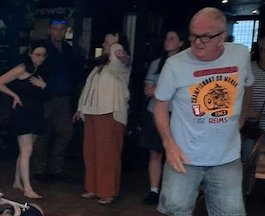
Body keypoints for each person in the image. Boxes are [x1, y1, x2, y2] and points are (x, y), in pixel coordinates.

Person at [154, 7, 254, 216]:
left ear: (222, 36)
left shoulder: (239, 56)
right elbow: (160, 107)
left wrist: (242, 118)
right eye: (193, 36)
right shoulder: (175, 65)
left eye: (205, 37)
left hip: (225, 157)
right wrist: (169, 144)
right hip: (183, 156)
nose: (197, 43)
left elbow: (247, 88)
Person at [73, 30, 131, 205]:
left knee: (107, 153)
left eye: (110, 43)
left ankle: (108, 191)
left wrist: (116, 46)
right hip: (92, 112)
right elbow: (87, 88)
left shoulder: (122, 62)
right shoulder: (100, 66)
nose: (106, 45)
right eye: (106, 43)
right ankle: (92, 187)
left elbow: (117, 61)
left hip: (109, 112)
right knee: (90, 152)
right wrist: (80, 108)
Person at [0, 41, 49, 199]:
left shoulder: (41, 70)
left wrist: (43, 86)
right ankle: (27, 188)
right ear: (30, 53)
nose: (40, 58)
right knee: (27, 150)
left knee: (25, 150)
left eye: (43, 55)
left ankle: (17, 181)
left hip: (36, 113)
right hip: (23, 113)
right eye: (37, 55)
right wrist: (14, 95)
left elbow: (47, 96)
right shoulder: (21, 68)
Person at [33, 18, 82, 183]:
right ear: (49, 30)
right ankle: (40, 170)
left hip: (63, 97)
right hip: (46, 97)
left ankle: (56, 168)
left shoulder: (69, 50)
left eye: (62, 29)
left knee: (66, 132)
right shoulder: (42, 48)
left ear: (66, 30)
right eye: (56, 29)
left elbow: (76, 72)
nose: (59, 32)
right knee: (42, 134)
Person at [141, 30, 186, 205]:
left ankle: (171, 190)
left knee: (174, 153)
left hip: (177, 113)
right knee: (155, 152)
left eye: (172, 38)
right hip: (155, 111)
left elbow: (184, 93)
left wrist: (159, 91)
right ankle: (154, 190)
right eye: (166, 38)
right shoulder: (156, 64)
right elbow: (147, 90)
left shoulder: (186, 64)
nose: (168, 41)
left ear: (181, 43)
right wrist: (168, 91)